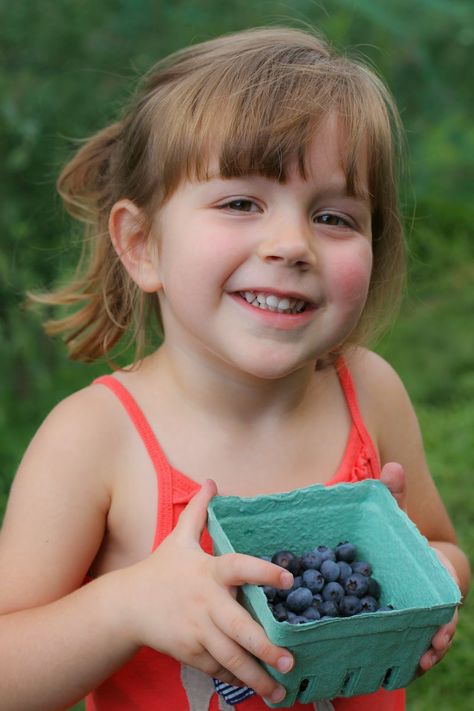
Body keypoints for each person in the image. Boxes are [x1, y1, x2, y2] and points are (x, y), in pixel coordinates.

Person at [0, 26, 469, 711]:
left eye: (335, 215)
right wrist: (125, 606)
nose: (291, 243)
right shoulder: (94, 439)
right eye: (241, 202)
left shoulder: (370, 390)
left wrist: (425, 583)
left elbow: (442, 546)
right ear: (141, 245)